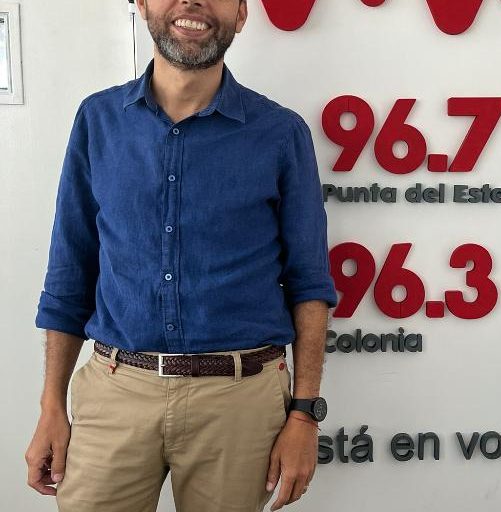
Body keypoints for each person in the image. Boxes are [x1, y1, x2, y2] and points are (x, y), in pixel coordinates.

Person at [24, 0, 338, 510]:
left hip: (240, 402)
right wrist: (50, 407)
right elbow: (69, 272)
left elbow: (309, 283)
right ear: (142, 4)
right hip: (114, 393)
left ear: (241, 14)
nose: (193, 2)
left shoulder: (281, 133)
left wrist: (304, 414)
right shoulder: (98, 120)